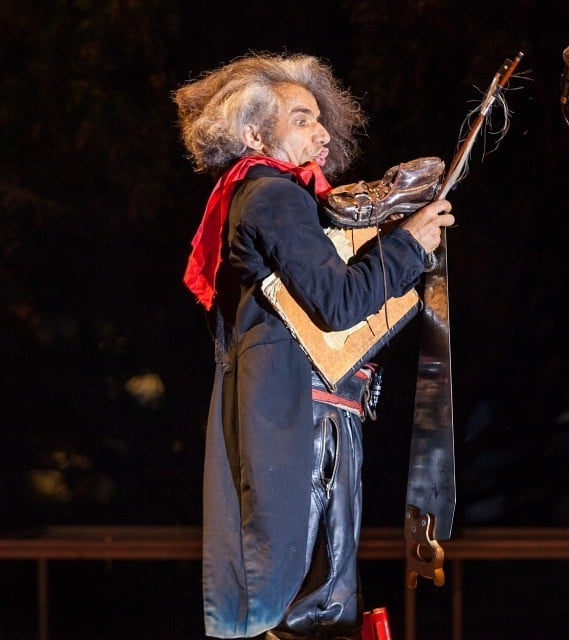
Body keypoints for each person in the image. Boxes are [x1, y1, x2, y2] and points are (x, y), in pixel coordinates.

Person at [173, 53, 454, 639]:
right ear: (255, 136)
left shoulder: (269, 196)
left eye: (321, 119)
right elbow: (340, 300)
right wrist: (410, 243)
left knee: (310, 590)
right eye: (302, 119)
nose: (322, 132)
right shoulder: (273, 194)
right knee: (314, 599)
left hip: (309, 410)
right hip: (305, 417)